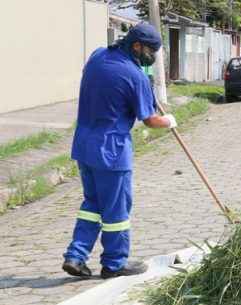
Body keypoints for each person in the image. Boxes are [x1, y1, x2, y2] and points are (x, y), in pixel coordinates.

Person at [62, 23, 177, 279]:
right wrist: (170, 120)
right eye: (151, 50)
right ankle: (114, 264)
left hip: (84, 146)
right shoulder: (135, 76)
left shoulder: (98, 55)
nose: (152, 56)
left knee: (92, 203)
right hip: (112, 151)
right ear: (136, 45)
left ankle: (76, 256)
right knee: (116, 211)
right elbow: (150, 119)